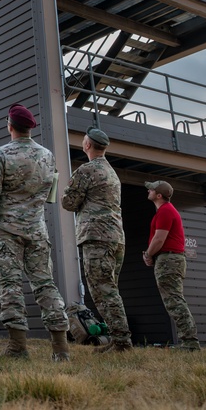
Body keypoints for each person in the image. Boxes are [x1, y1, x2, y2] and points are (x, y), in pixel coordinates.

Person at [0, 104, 70, 361]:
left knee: (10, 285)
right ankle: (60, 349)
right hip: (37, 229)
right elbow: (50, 195)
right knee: (45, 284)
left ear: (10, 125)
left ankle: (18, 348)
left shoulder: (0, 155)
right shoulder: (48, 156)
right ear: (30, 127)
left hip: (7, 230)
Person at [60, 126, 133, 353]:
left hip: (96, 237)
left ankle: (122, 342)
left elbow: (68, 202)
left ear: (87, 145)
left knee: (103, 290)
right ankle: (117, 339)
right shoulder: (111, 172)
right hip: (116, 238)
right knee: (110, 289)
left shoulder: (87, 170)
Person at [143, 180, 200, 350]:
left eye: (151, 190)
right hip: (169, 259)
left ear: (158, 195)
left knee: (174, 301)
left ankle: (190, 342)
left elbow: (159, 239)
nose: (148, 191)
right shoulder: (165, 211)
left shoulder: (165, 211)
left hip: (169, 260)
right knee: (174, 300)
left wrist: (148, 254)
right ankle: (189, 341)